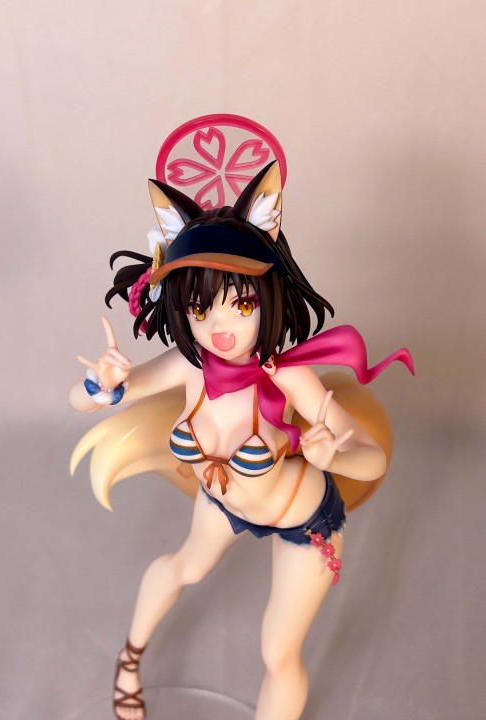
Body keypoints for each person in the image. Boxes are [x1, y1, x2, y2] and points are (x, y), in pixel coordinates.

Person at [69, 161, 413, 720]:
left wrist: (335, 455)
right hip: (223, 502)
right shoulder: (190, 368)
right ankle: (128, 659)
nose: (219, 327)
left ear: (268, 296)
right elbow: (87, 403)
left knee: (277, 650)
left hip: (304, 522)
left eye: (242, 303)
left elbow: (372, 461)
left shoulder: (287, 376)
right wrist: (100, 384)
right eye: (200, 308)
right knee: (183, 567)